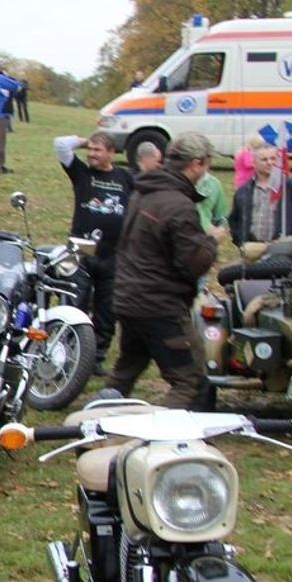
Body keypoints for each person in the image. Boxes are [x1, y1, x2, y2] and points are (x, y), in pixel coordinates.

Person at [105, 132, 223, 409]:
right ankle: (170, 441)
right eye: (206, 165)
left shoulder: (142, 192)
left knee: (125, 372)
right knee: (189, 381)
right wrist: (211, 240)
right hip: (160, 306)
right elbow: (194, 264)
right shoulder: (179, 205)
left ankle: (94, 428)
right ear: (196, 164)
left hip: (128, 297)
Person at [53, 131, 135, 373]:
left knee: (107, 308)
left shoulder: (125, 177)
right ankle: (66, 352)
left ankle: (95, 358)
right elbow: (60, 144)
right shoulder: (81, 173)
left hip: (114, 252)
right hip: (79, 249)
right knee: (73, 301)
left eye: (98, 150)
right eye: (90, 149)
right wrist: (84, 141)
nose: (91, 154)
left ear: (111, 152)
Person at [227, 143, 292, 247]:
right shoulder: (244, 191)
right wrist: (241, 241)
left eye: (273, 159)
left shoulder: (291, 187)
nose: (270, 162)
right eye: (264, 160)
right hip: (253, 248)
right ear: (253, 162)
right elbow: (235, 219)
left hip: (283, 248)